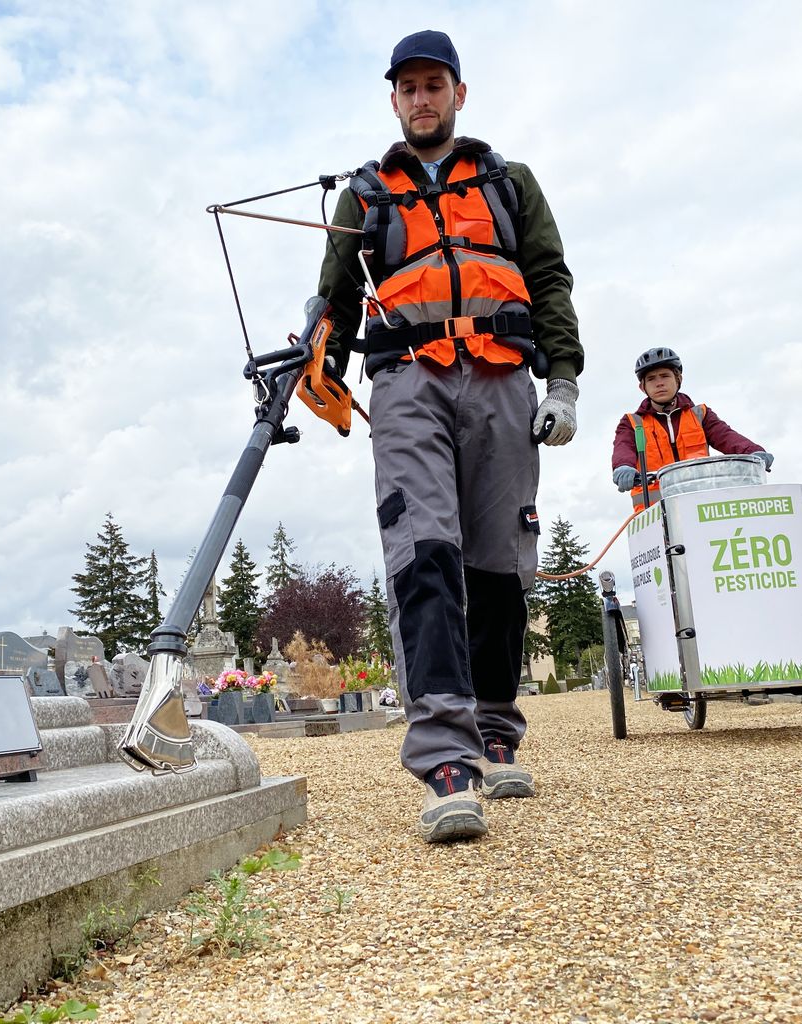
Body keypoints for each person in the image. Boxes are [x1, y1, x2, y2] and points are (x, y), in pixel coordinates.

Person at [316, 30, 582, 842]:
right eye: (408, 88)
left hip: (502, 378)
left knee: (498, 560)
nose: (421, 98)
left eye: (435, 85)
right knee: (423, 550)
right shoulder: (364, 192)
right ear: (393, 100)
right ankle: (445, 761)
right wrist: (317, 360)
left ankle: (495, 725)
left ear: (459, 93)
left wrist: (563, 381)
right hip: (407, 383)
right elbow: (333, 299)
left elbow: (548, 278)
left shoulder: (510, 181)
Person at [612, 347, 773, 510]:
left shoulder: (700, 415)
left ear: (678, 379)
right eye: (651, 379)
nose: (659, 383)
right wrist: (623, 466)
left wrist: (753, 451)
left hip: (700, 506)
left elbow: (726, 436)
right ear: (642, 387)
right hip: (653, 515)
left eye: (665, 376)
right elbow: (623, 447)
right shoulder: (632, 423)